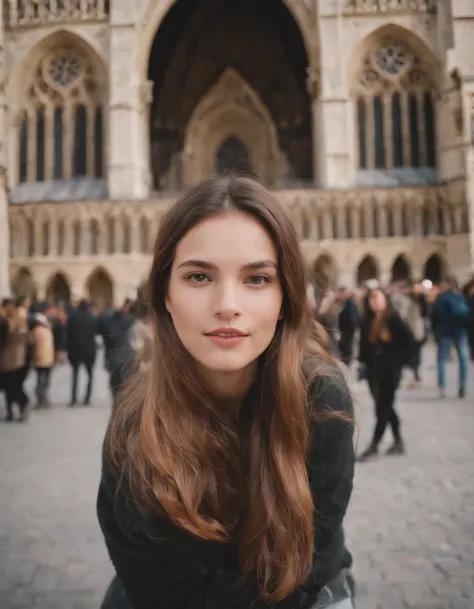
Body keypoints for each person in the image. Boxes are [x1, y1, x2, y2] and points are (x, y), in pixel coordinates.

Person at [97, 176, 355, 609]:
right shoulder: (135, 424)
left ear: (285, 299)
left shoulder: (321, 401)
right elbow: (159, 587)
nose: (227, 304)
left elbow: (311, 565)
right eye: (199, 276)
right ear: (164, 296)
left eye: (257, 279)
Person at [357, 288, 415, 462]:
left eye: (377, 298)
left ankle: (374, 445)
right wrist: (363, 363)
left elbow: (410, 342)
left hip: (390, 372)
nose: (374, 302)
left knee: (383, 408)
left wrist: (397, 361)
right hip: (373, 372)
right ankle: (398, 441)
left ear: (385, 300)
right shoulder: (367, 320)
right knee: (385, 407)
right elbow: (364, 346)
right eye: (371, 299)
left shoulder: (393, 318)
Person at [431, 276, 470, 399]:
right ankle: (462, 385)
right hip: (460, 331)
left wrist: (435, 331)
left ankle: (442, 387)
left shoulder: (441, 299)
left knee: (441, 360)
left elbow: (434, 316)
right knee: (463, 359)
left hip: (445, 332)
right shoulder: (460, 297)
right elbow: (467, 314)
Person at [67, 299, 98, 406]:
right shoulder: (92, 318)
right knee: (90, 375)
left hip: (75, 350)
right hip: (89, 350)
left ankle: (74, 399)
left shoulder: (72, 318)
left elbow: (68, 334)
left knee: (75, 375)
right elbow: (96, 332)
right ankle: (87, 399)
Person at [30, 313, 55, 408]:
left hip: (40, 359)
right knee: (44, 381)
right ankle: (42, 400)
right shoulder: (46, 330)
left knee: (41, 381)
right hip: (46, 359)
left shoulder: (36, 331)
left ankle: (42, 400)